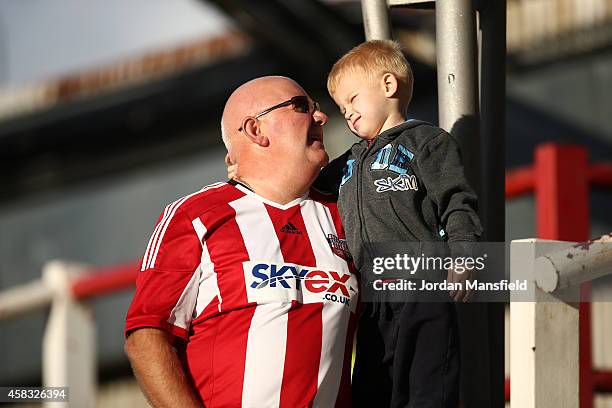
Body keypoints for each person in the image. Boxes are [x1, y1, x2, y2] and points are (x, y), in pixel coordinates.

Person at [124, 76, 359, 408]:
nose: (321, 117)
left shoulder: (347, 213)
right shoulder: (195, 216)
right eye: (302, 106)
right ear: (255, 130)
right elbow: (147, 336)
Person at [315, 40, 484, 407]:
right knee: (373, 390)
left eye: (353, 99)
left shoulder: (428, 143)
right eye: (342, 107)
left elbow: (456, 201)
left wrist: (464, 256)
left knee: (427, 387)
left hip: (422, 288)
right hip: (372, 300)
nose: (347, 113)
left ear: (388, 86)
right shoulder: (346, 164)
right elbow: (304, 187)